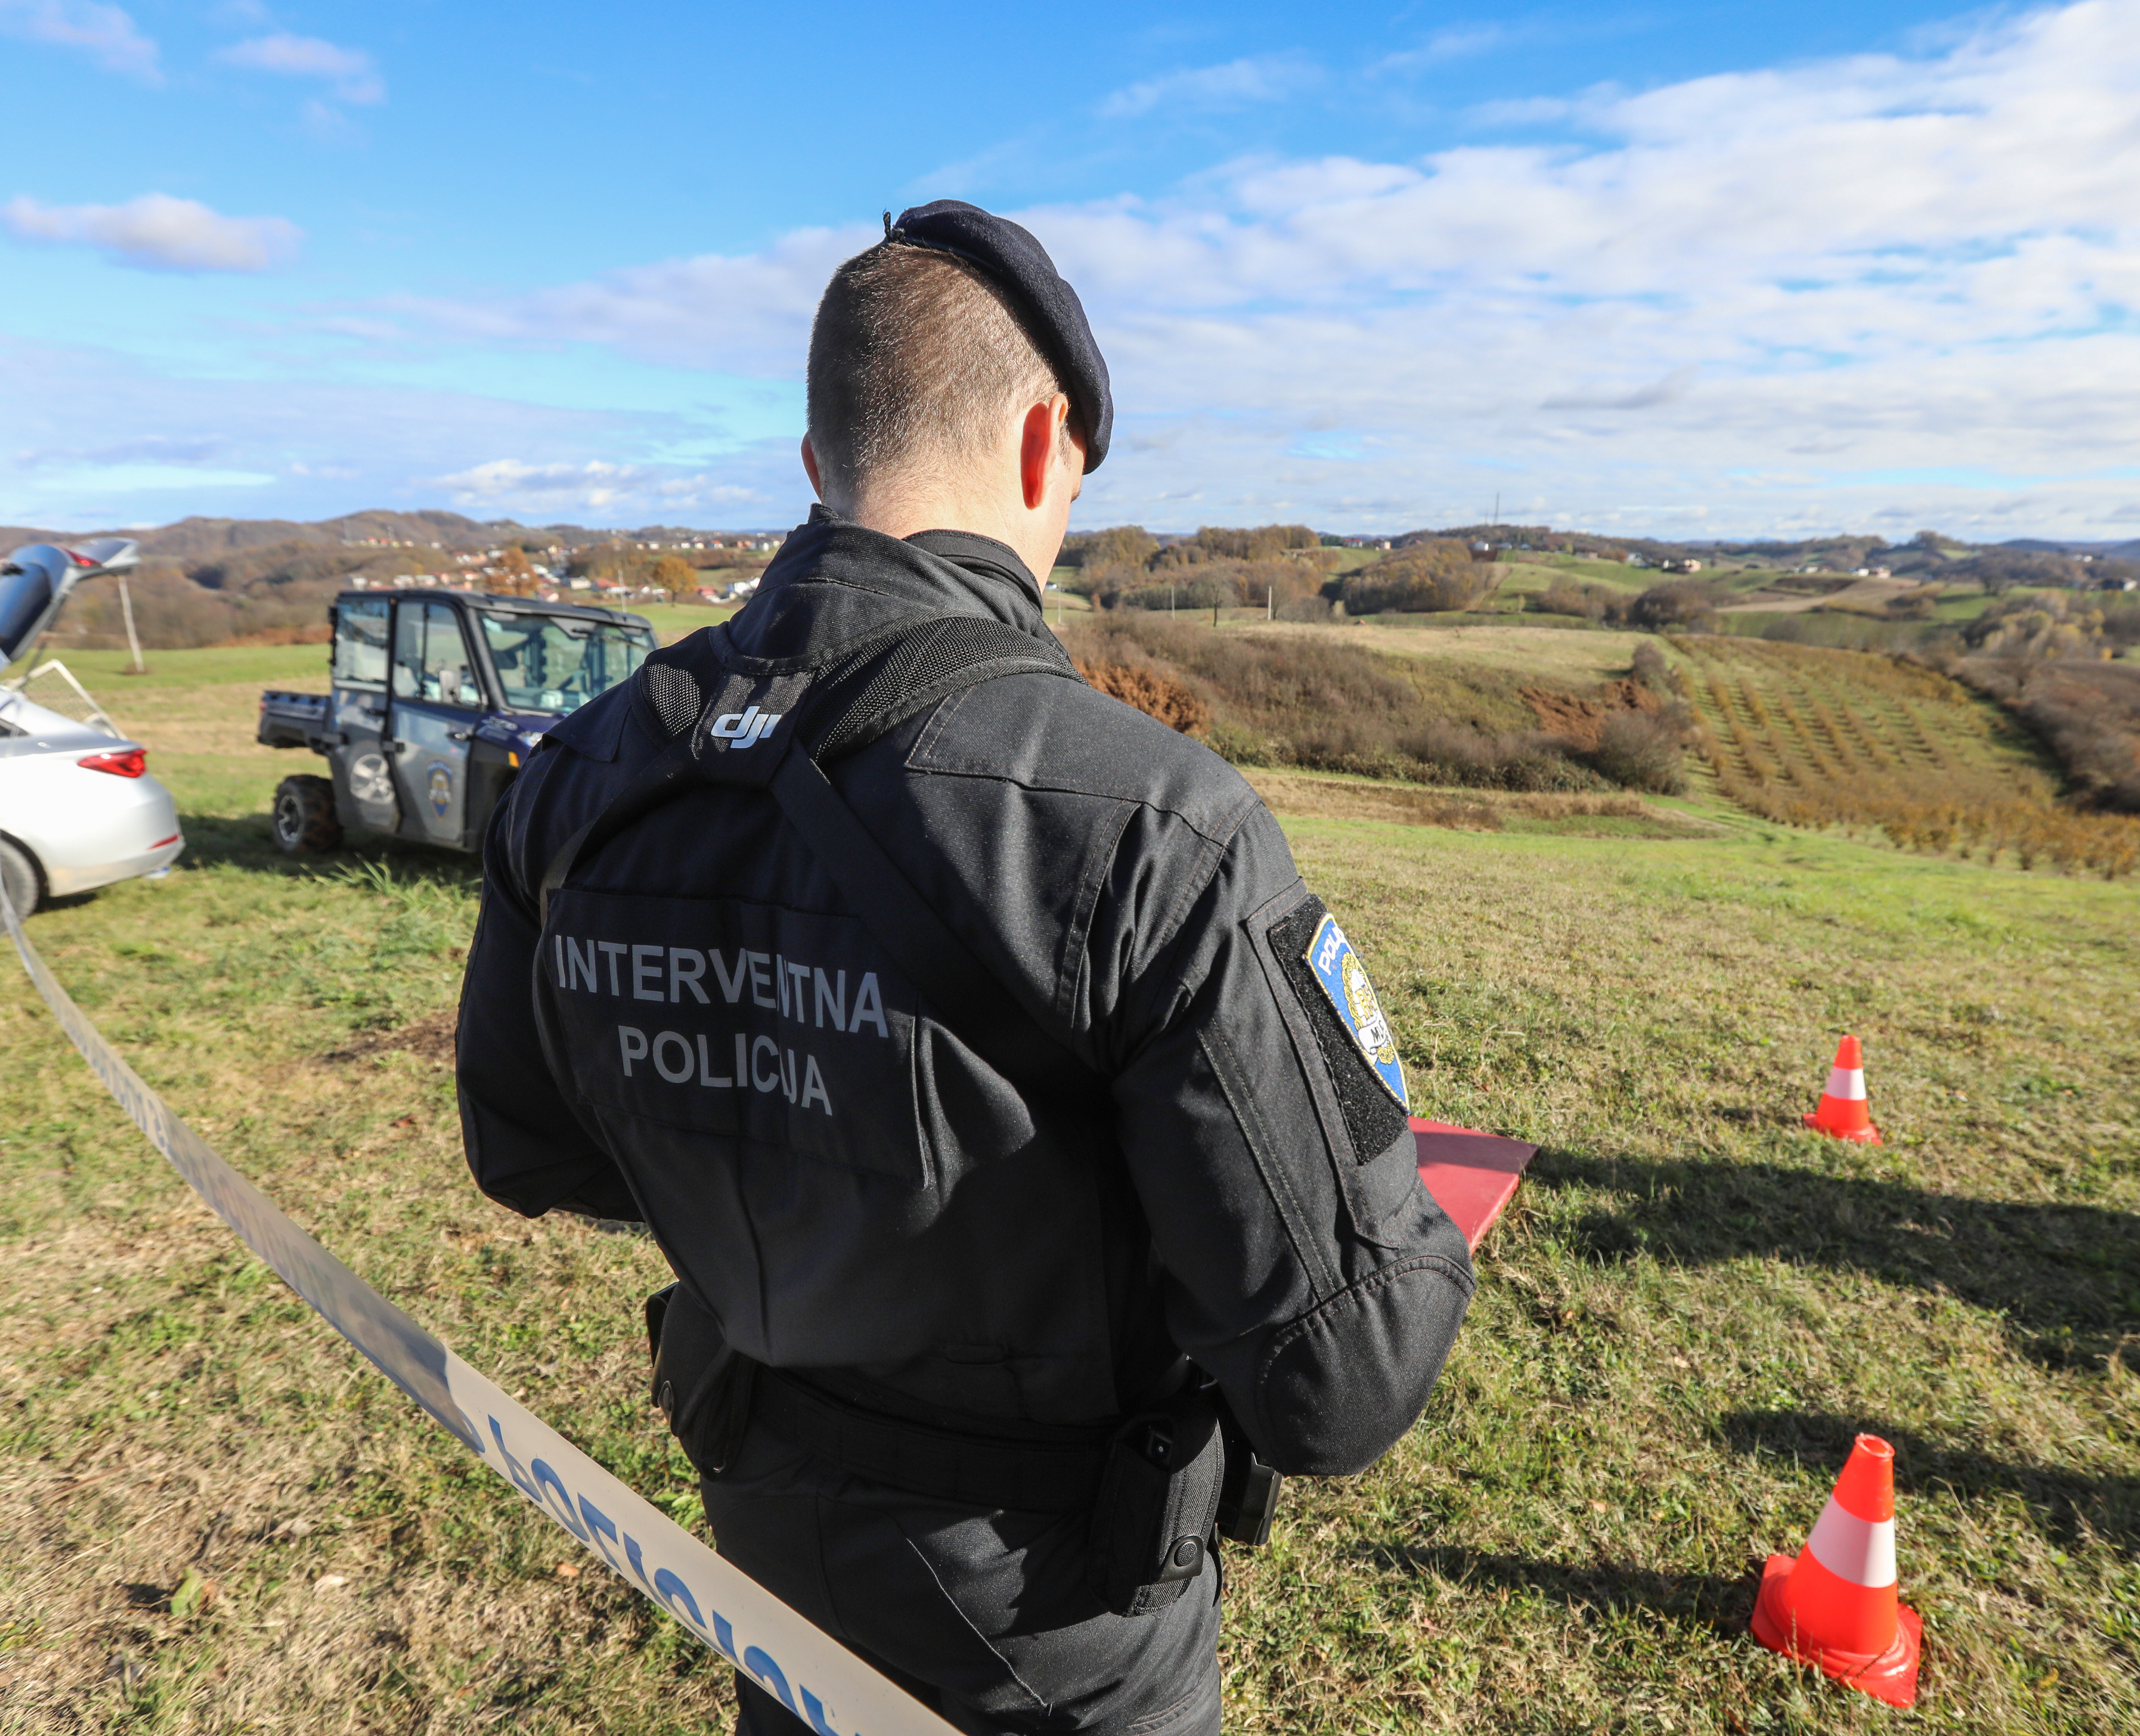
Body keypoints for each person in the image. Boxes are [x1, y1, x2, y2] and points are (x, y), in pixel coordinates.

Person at [455, 200, 1474, 1736]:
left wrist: (802, 1174)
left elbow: (527, 1144)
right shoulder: (1151, 820)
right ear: (1042, 445)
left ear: (819, 466)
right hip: (1062, 1636)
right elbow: (1342, 1378)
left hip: (770, 1556)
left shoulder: (587, 771)